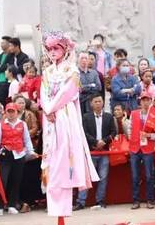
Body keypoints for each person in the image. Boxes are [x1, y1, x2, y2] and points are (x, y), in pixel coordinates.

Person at [40, 31, 98, 223]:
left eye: (56, 48)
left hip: (65, 116)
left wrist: (50, 107)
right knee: (52, 161)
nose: (52, 52)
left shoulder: (72, 70)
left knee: (65, 160)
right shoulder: (47, 72)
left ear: (65, 50)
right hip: (49, 118)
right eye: (50, 49)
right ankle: (57, 213)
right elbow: (44, 92)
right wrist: (46, 109)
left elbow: (67, 92)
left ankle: (63, 214)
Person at [0, 102, 37, 217]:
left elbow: (27, 140)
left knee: (16, 181)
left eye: (13, 111)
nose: (10, 114)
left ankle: (12, 205)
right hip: (5, 155)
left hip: (19, 155)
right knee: (2, 181)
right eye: (8, 111)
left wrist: (31, 152)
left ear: (17, 112)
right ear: (5, 112)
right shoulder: (1, 125)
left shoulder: (22, 124)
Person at [75, 94, 116, 211]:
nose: (98, 103)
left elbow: (113, 132)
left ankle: (100, 200)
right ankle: (81, 201)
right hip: (91, 151)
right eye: (96, 101)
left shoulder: (109, 117)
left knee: (103, 177)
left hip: (104, 151)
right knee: (86, 177)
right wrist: (95, 142)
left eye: (100, 101)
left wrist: (104, 141)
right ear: (91, 104)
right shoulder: (86, 117)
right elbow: (84, 132)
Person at [128, 93, 155, 209]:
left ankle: (150, 200)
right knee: (135, 176)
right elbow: (130, 129)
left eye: (147, 100)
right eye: (143, 100)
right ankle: (136, 200)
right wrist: (132, 140)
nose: (145, 102)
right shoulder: (134, 114)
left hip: (148, 148)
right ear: (140, 102)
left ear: (151, 101)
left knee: (149, 175)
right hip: (135, 148)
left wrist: (149, 136)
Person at [14, 95, 41, 212]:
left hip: (29, 148)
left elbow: (35, 128)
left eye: (23, 103)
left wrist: (22, 135)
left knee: (28, 176)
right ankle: (17, 201)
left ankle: (28, 201)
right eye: (19, 103)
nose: (21, 105)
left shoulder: (30, 114)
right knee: (17, 177)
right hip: (15, 149)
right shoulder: (10, 115)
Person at [0, 36, 14, 105]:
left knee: (2, 100)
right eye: (1, 43)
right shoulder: (0, 56)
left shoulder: (11, 55)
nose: (1, 45)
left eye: (3, 43)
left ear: (8, 44)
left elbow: (8, 67)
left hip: (5, 81)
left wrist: (0, 67)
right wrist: (2, 67)